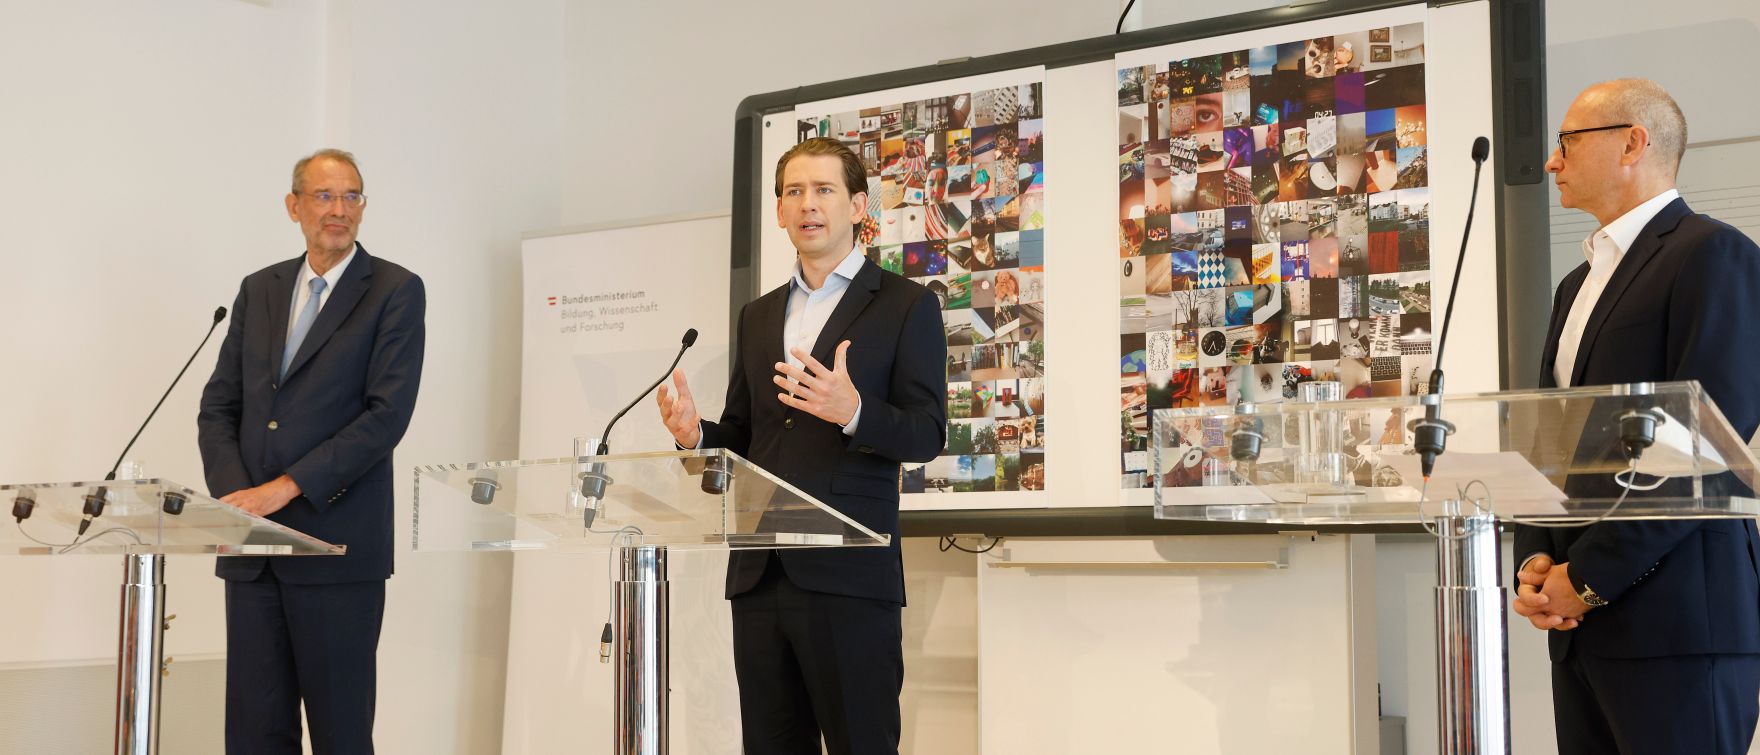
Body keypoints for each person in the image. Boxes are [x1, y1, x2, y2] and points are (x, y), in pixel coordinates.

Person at [655, 136, 947, 754]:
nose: (807, 204)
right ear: (781, 212)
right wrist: (696, 436)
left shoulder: (905, 305)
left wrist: (856, 412)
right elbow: (746, 433)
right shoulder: (758, 316)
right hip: (761, 574)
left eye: (824, 190)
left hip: (849, 575)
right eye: (794, 192)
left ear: (858, 206)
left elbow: (927, 432)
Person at [1511, 79, 1760, 754]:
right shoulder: (1575, 284)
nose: (1551, 162)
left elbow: (1703, 441)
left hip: (1680, 624)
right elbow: (1547, 436)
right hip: (1579, 633)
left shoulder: (1712, 254)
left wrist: (1585, 576)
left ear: (1633, 142)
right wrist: (1535, 557)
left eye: (1567, 142)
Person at [197, 149, 425, 754]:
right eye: (324, 196)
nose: (339, 210)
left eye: (352, 196)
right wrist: (235, 500)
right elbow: (219, 406)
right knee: (253, 735)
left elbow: (385, 418)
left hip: (335, 547)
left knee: (340, 735)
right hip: (252, 553)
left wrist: (284, 488)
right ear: (293, 205)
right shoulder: (260, 289)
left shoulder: (395, 291)